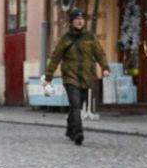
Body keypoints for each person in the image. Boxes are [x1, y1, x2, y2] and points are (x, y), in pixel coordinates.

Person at [44, 8, 109, 146]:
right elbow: (56, 57)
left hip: (86, 76)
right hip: (70, 76)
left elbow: (99, 53)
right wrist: (48, 77)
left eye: (81, 19)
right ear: (72, 22)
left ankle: (70, 129)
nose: (80, 21)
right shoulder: (65, 39)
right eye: (76, 19)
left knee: (78, 106)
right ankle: (78, 133)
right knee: (75, 103)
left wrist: (105, 68)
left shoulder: (90, 37)